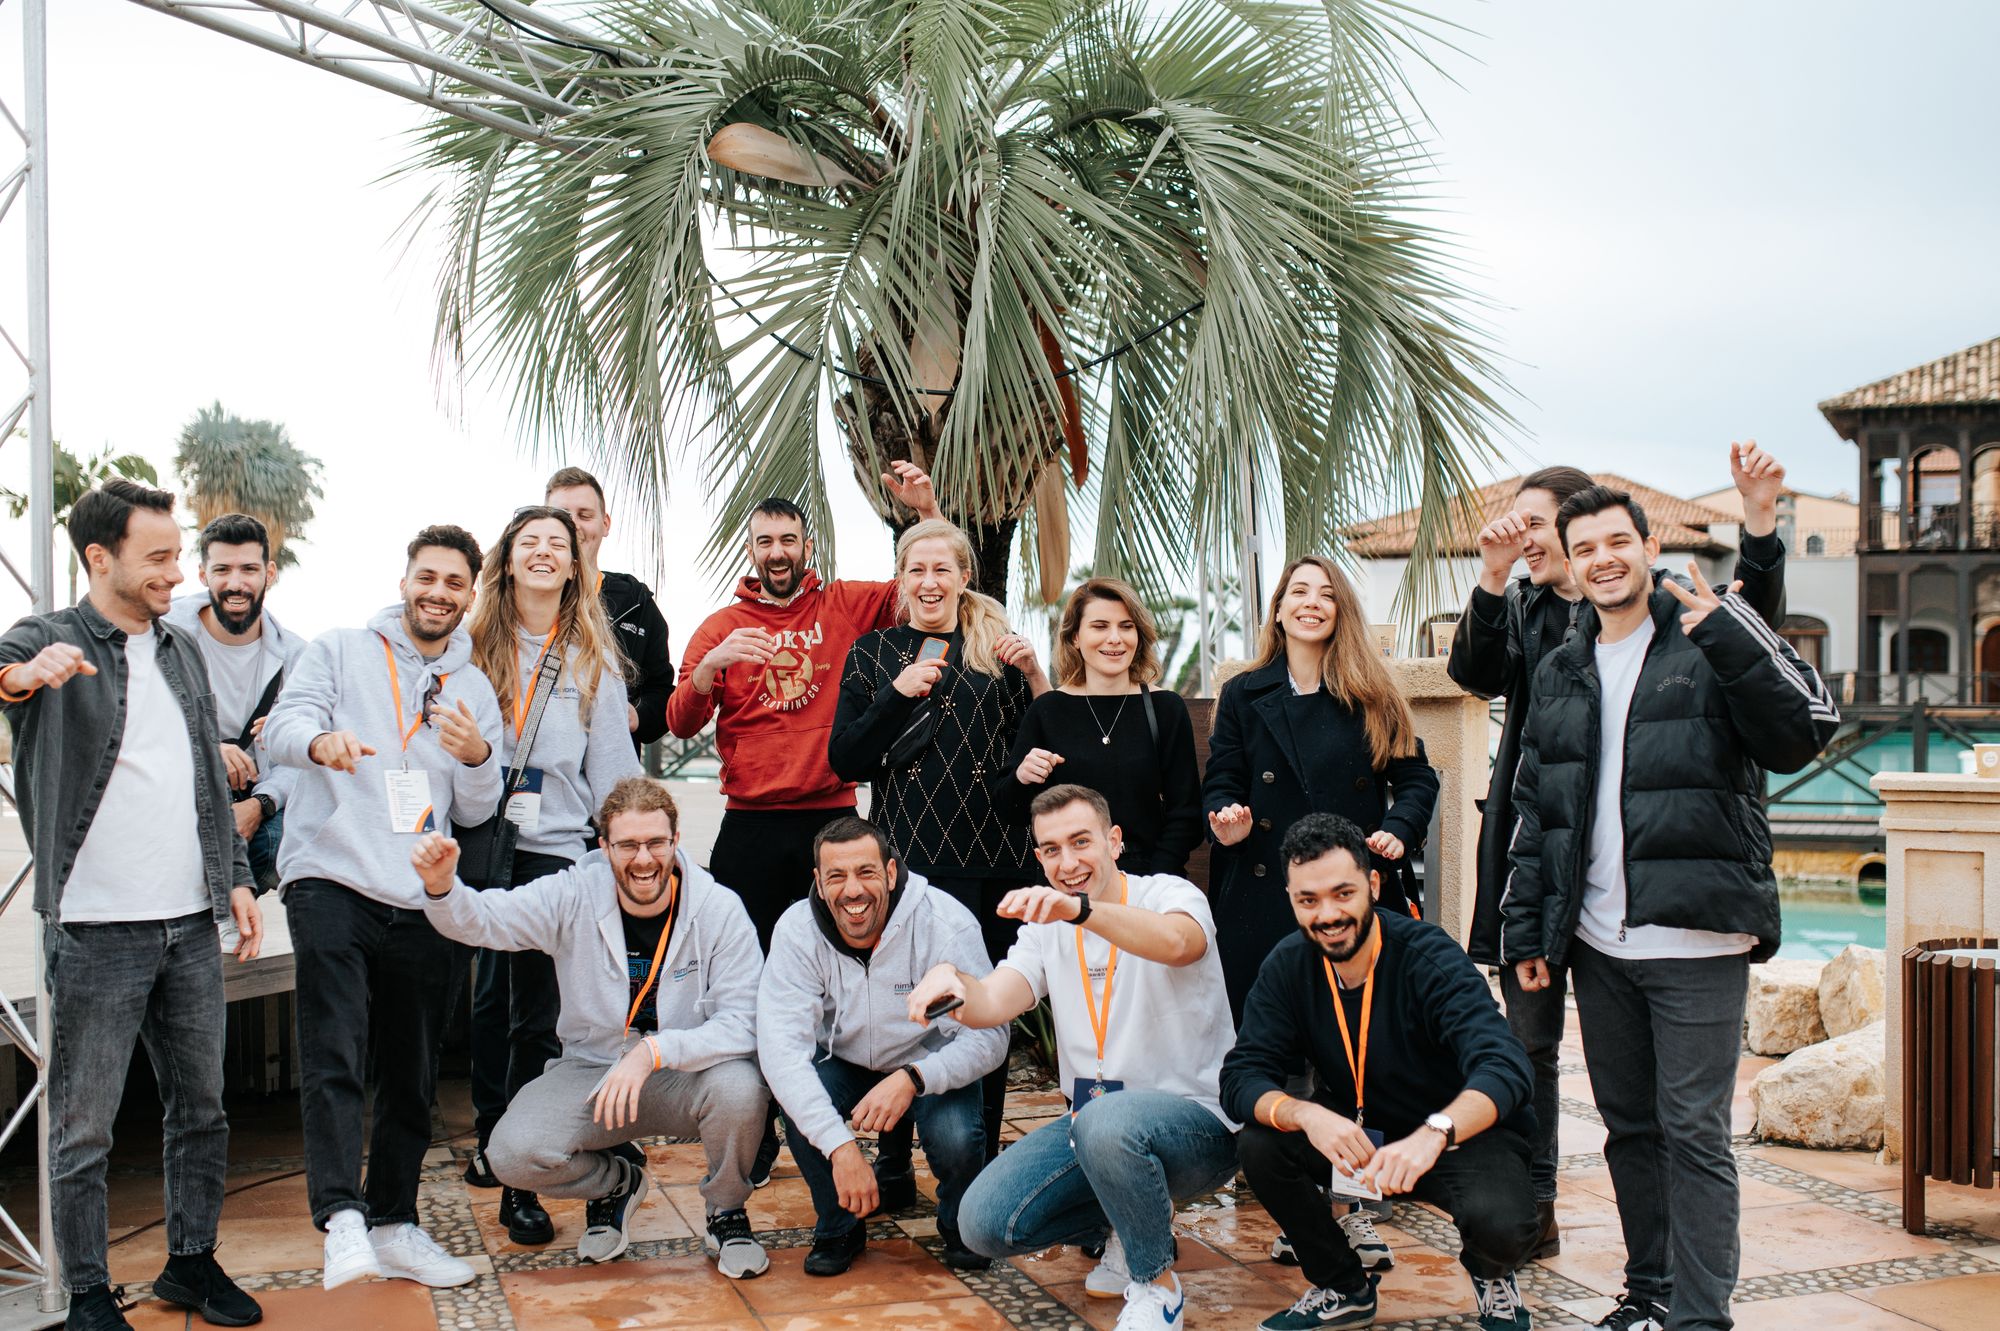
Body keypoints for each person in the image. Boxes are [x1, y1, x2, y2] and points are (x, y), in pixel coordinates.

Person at [1504, 485, 1839, 1331]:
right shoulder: (1560, 664)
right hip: (1596, 940)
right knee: (1628, 1130)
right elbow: (1538, 809)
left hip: (1697, 936)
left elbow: (1805, 728)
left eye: (1619, 540)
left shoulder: (1706, 632)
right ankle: (1647, 1291)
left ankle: (1699, 1317)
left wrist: (1729, 635)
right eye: (1585, 548)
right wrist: (1530, 930)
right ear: (1570, 566)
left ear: (1647, 546)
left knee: (1693, 1133)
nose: (1603, 558)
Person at [1449, 445, 1788, 1263]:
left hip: (1659, 898)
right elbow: (1475, 673)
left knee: (1679, 1121)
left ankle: (1686, 1297)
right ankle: (1539, 1209)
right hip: (1549, 864)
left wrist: (1762, 525)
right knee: (1535, 1047)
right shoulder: (1534, 614)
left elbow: (1753, 634)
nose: (1526, 538)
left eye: (1537, 525)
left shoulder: (1664, 615)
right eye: (1523, 527)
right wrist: (1493, 578)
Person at [0, 480, 264, 1331]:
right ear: (99, 557)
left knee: (204, 1107)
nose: (174, 571)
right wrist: (20, 678)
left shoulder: (180, 651)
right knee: (84, 1129)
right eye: (158, 557)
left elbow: (203, 783)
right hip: (93, 930)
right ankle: (85, 1294)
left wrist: (236, 878)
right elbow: (0, 669)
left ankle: (190, 1262)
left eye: (175, 554)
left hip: (187, 924)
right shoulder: (50, 639)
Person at [262, 525, 505, 1293]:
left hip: (419, 891)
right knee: (335, 1045)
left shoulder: (474, 688)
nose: (437, 593)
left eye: (453, 583)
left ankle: (395, 1221)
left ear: (470, 595)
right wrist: (321, 743)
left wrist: (473, 755)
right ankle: (341, 1219)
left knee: (412, 1067)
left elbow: (477, 805)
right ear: (405, 580)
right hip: (331, 876)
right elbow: (282, 730)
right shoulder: (339, 648)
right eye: (426, 577)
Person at [911, 784, 1239, 1331]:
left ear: (1114, 841)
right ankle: (1128, 1226)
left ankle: (1156, 1284)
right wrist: (952, 981)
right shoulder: (1046, 925)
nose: (1068, 863)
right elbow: (995, 998)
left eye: (1081, 842)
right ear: (1038, 856)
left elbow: (1180, 944)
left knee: (1108, 1119)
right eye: (1051, 849)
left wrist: (1081, 912)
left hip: (1200, 1125)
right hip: (1095, 1129)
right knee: (983, 1223)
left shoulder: (1168, 894)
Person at [411, 778, 771, 1276]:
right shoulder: (573, 893)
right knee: (510, 1155)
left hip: (686, 1074)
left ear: (675, 840)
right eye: (627, 845)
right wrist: (442, 888)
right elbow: (487, 921)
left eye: (655, 843)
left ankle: (726, 1210)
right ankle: (616, 1185)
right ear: (604, 847)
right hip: (592, 1070)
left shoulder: (717, 908)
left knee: (743, 1088)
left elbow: (745, 1021)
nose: (643, 860)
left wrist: (654, 1053)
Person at [1223, 813, 1539, 1331]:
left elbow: (1504, 1064)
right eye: (1308, 900)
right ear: (1291, 898)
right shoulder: (1288, 965)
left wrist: (1435, 1134)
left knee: (1504, 1224)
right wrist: (1304, 1114)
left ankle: (1492, 1274)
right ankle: (1342, 1286)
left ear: (1373, 884)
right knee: (1261, 1141)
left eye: (1342, 894)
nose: (1328, 915)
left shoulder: (1428, 956)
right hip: (1359, 1135)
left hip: (1452, 1137)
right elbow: (1241, 1077)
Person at [828, 517, 1051, 1162]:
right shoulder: (873, 654)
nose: (929, 582)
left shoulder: (996, 651)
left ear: (962, 577)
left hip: (994, 860)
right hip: (910, 863)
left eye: (941, 569)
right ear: (901, 580)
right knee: (905, 1010)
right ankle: (892, 1161)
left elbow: (1044, 735)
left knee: (985, 1013)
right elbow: (846, 760)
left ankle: (974, 1159)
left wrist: (1034, 671)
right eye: (916, 570)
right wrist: (895, 697)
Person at [460, 505, 643, 1242]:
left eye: (556, 545)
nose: (542, 553)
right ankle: (489, 1135)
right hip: (481, 841)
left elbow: (614, 773)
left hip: (557, 848)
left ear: (575, 565)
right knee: (484, 1005)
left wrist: (630, 852)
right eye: (527, 542)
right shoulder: (469, 648)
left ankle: (517, 1183)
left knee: (537, 1010)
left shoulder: (592, 658)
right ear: (507, 561)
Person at [665, 464, 941, 949]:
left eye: (788, 540)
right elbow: (680, 723)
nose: (777, 552)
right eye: (765, 542)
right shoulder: (720, 627)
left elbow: (928, 587)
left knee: (840, 950)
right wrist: (710, 667)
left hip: (831, 816)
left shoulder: (842, 605)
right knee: (742, 953)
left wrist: (926, 512)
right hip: (751, 820)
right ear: (750, 551)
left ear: (806, 548)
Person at [755, 816, 1007, 1277]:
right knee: (800, 1104)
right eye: (836, 876)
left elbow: (991, 1035)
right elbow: (780, 1052)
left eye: (866, 872)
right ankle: (840, 1224)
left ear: (890, 873)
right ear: (818, 881)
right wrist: (841, 1149)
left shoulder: (944, 921)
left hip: (928, 1058)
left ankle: (960, 1225)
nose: (852, 890)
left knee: (955, 1138)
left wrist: (915, 1078)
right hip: (844, 1060)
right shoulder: (796, 931)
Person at [1203, 554, 1440, 1020]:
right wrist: (1226, 820)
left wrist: (1400, 827)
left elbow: (1416, 777)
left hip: (1352, 883)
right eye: (1300, 592)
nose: (1313, 603)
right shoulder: (1241, 693)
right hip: (1264, 886)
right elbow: (1223, 778)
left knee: (1363, 1030)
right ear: (1278, 610)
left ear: (1341, 613)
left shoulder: (1372, 692)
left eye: (1327, 595)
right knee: (1273, 1039)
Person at [1005, 577, 1202, 875]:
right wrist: (1021, 777)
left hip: (1151, 885)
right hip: (1071, 884)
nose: (1115, 638)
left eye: (1126, 626)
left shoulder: (1166, 708)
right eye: (1100, 626)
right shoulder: (1047, 710)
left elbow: (1186, 814)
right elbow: (1011, 810)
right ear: (1074, 637)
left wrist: (1155, 881)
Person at [165, 512, 311, 895]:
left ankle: (232, 898)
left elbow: (298, 760)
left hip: (253, 802)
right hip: (177, 795)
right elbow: (139, 729)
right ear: (202, 575)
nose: (236, 583)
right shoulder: (163, 637)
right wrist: (206, 750)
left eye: (249, 569)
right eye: (222, 570)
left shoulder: (297, 656)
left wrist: (259, 804)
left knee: (297, 836)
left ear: (270, 573)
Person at [545, 467, 675, 750]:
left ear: (605, 523)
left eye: (585, 515)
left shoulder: (637, 603)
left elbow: (662, 691)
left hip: (610, 774)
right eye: (563, 516)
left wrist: (636, 715)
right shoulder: (521, 596)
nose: (574, 524)